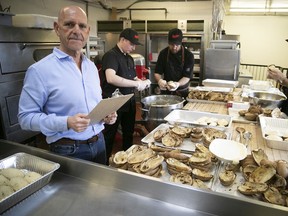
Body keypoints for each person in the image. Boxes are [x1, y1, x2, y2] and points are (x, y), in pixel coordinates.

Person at [18, 5, 117, 165]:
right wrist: (66, 122)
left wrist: (105, 116)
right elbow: (25, 118)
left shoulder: (91, 67)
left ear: (87, 31)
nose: (77, 30)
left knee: (100, 190)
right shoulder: (40, 70)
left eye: (82, 26)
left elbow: (92, 104)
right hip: (68, 150)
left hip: (99, 142)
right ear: (57, 28)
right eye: (69, 24)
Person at [101, 28, 151, 161]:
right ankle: (104, 163)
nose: (134, 48)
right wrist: (135, 84)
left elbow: (133, 78)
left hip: (129, 101)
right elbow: (111, 78)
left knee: (128, 133)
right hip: (114, 103)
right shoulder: (111, 56)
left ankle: (127, 161)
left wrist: (141, 82)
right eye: (132, 44)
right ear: (122, 40)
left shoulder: (129, 58)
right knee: (109, 135)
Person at [154, 28, 194, 98]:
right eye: (172, 44)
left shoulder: (189, 55)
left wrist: (177, 84)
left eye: (177, 45)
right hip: (167, 92)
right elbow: (157, 72)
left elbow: (187, 77)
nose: (174, 47)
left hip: (183, 92)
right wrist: (160, 80)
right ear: (168, 42)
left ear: (181, 42)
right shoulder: (163, 53)